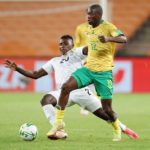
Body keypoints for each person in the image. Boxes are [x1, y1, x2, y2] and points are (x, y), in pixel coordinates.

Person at [4, 35, 138, 140]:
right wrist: (17, 69)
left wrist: (100, 42)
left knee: (106, 115)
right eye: (60, 44)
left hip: (82, 93)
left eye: (65, 44)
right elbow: (35, 74)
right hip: (64, 95)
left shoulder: (76, 53)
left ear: (72, 45)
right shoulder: (54, 61)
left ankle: (124, 128)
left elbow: (88, 49)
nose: (62, 46)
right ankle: (59, 130)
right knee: (45, 100)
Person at [49, 4, 131, 142]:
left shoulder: (109, 27)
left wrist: (108, 39)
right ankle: (59, 123)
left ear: (98, 15)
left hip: (104, 73)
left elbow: (124, 38)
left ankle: (117, 128)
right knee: (65, 87)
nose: (87, 17)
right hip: (88, 70)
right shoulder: (86, 28)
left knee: (107, 109)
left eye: (90, 15)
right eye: (87, 14)